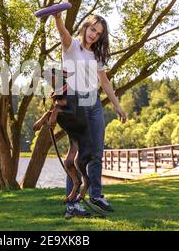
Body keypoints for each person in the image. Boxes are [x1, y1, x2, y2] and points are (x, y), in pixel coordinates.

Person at [53, 12, 127, 219]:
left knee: (96, 151)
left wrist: (117, 105)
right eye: (93, 29)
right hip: (76, 103)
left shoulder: (96, 55)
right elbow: (63, 32)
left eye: (99, 33)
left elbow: (104, 82)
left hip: (93, 102)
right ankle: (73, 203)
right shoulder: (72, 46)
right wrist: (58, 18)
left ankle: (96, 195)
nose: (94, 35)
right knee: (77, 156)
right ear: (85, 27)